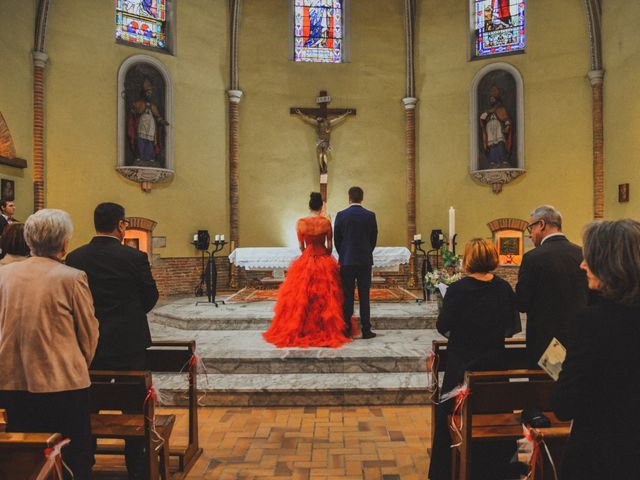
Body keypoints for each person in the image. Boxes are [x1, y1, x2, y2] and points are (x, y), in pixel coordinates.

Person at [0, 209, 99, 479]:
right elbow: (88, 334)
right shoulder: (71, 277)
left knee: (24, 456)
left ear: (29, 240)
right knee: (72, 456)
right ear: (65, 243)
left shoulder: (3, 276)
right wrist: (77, 364)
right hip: (62, 382)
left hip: (11, 382)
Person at [66, 202, 159, 479]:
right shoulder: (134, 257)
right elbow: (150, 297)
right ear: (121, 225)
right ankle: (137, 466)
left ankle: (85, 462)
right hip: (128, 342)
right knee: (134, 404)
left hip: (86, 344)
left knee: (88, 402)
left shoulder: (74, 257)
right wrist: (128, 316)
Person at [552, 219, 640, 479]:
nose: (582, 265)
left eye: (589, 258)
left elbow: (565, 404)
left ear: (610, 264)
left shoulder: (592, 323)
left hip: (604, 455)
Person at [428, 238, 521, 480]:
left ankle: (446, 471)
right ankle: (497, 470)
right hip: (495, 368)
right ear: (492, 258)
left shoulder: (458, 290)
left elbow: (443, 325)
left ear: (468, 259)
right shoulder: (503, 289)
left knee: (448, 412)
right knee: (497, 410)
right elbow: (511, 326)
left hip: (462, 370)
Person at [263, 192, 350, 348]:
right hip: (324, 258)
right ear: (321, 206)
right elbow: (330, 246)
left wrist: (308, 256)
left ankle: (301, 327)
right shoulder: (326, 223)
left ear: (309, 206)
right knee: (327, 297)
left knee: (302, 295)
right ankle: (325, 327)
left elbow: (301, 247)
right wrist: (324, 254)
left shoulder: (301, 222)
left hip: (306, 259)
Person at [516, 205, 589, 368]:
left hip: (543, 341)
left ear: (541, 224)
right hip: (578, 338)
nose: (530, 234)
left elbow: (522, 303)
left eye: (531, 228)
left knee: (542, 391)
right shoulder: (583, 254)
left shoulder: (532, 258)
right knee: (574, 388)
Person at [334, 186, 378, 339]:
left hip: (347, 261)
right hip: (364, 261)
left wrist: (344, 253)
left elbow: (337, 240)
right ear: (362, 198)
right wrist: (366, 252)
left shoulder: (341, 215)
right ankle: (366, 330)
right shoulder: (370, 216)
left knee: (347, 296)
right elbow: (373, 239)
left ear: (349, 198)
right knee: (364, 296)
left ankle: (347, 330)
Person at [294, 109, 353, 174]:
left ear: (322, 117)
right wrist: (300, 113)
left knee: (324, 154)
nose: (318, 118)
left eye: (319, 117)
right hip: (320, 141)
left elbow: (338, 118)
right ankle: (322, 168)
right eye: (317, 118)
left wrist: (346, 113)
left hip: (326, 141)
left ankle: (324, 168)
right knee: (320, 154)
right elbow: (307, 119)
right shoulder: (317, 123)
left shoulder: (329, 122)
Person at [127, 79, 168, 164]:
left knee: (149, 141)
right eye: (147, 93)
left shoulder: (153, 106)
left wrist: (162, 121)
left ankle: (149, 158)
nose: (149, 95)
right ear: (144, 93)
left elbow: (157, 117)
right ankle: (140, 157)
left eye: (150, 93)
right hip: (141, 125)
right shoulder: (139, 103)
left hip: (150, 126)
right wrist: (133, 110)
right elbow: (134, 112)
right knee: (141, 140)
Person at [479, 85, 512, 168]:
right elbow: (482, 118)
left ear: (496, 99)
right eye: (490, 99)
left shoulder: (500, 108)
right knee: (491, 144)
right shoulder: (488, 111)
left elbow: (505, 118)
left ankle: (503, 160)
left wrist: (507, 126)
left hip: (498, 126)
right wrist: (487, 113)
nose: (491, 100)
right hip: (489, 127)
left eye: (493, 99)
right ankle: (493, 161)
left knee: (500, 143)